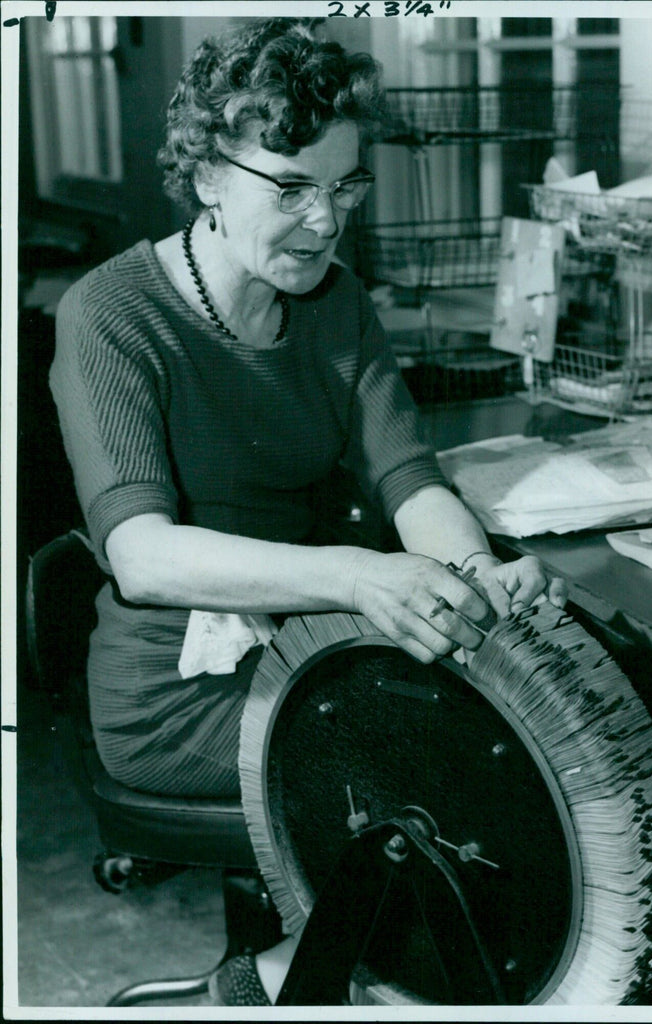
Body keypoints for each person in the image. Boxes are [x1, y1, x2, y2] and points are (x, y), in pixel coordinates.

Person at [50, 18, 566, 1004]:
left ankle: (347, 975)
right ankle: (269, 985)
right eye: (289, 188)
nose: (326, 223)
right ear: (205, 175)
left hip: (311, 650)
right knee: (475, 794)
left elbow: (409, 479)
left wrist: (469, 574)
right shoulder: (112, 313)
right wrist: (358, 575)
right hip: (176, 692)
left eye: (344, 187)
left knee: (516, 753)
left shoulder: (339, 302)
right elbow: (143, 556)